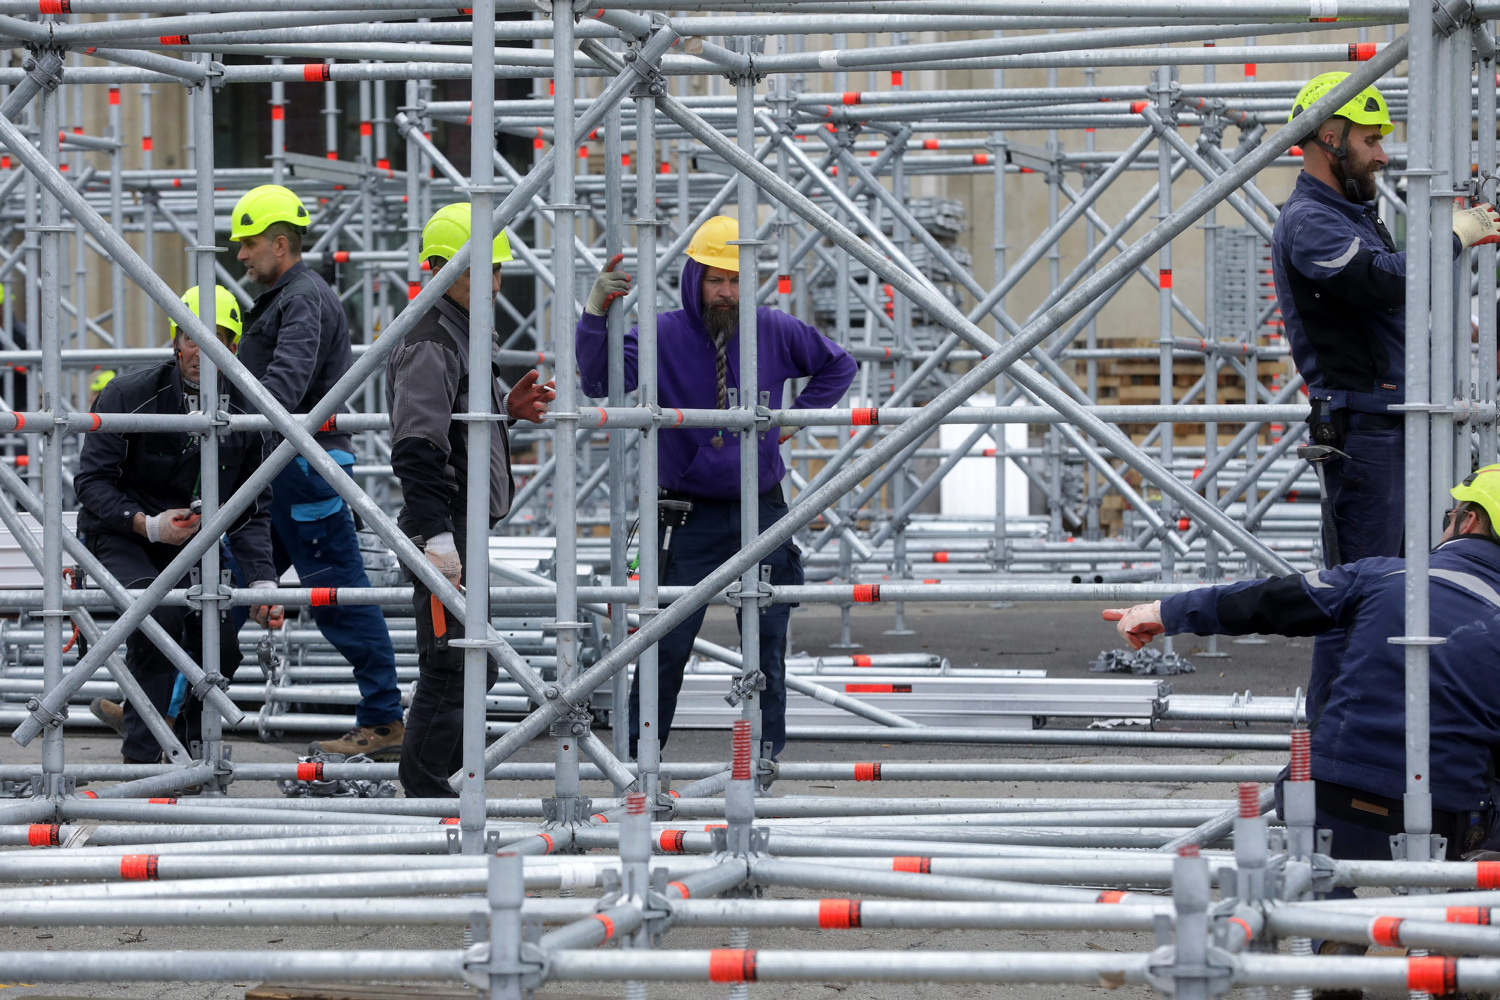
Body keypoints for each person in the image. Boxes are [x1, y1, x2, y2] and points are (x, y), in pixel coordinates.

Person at [1103, 465, 1500, 861]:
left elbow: (1270, 600)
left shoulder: (1381, 574)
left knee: (1317, 887)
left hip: (1327, 800)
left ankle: (1322, 897)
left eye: (1449, 518)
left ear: (1468, 521)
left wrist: (1166, 612)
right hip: (1448, 823)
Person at [576, 215, 857, 761]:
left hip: (763, 509)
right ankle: (638, 765)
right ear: (694, 279)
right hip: (687, 516)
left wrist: (794, 419)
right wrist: (594, 315)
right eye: (715, 279)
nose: (726, 292)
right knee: (664, 645)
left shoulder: (772, 328)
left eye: (735, 279)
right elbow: (599, 383)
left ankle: (763, 762)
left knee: (768, 645)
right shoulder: (663, 334)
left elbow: (837, 365)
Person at [1274, 72, 1500, 565]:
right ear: (1330, 140)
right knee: (1366, 587)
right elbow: (1379, 281)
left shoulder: (1350, 213)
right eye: (1370, 140)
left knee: (1405, 583)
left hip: (1388, 421)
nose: (1381, 155)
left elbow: (1393, 299)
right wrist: (1452, 237)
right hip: (1364, 430)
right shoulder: (1311, 220)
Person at [229, 183, 404, 759]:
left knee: (338, 595)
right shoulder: (289, 296)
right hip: (284, 464)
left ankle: (383, 719)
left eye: (250, 244)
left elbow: (286, 384)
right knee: (229, 586)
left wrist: (228, 425)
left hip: (303, 465)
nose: (241, 255)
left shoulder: (302, 298)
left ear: (280, 245)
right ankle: (163, 702)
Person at [74, 285, 282, 765]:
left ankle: (189, 752)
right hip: (123, 537)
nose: (201, 350)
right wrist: (147, 525)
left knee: (221, 646)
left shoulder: (247, 409)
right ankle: (143, 760)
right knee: (158, 620)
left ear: (233, 347)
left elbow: (251, 508)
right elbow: (91, 483)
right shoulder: (128, 394)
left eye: (216, 339)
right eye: (191, 338)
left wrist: (263, 581)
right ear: (176, 341)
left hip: (191, 544)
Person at [388, 204, 554, 798]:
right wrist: (438, 539)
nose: (494, 283)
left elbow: (454, 424)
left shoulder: (460, 333)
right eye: (479, 270)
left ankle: (449, 787)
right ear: (439, 269)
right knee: (451, 664)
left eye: (497, 270)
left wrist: (504, 411)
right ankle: (426, 792)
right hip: (444, 523)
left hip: (460, 522)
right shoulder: (431, 340)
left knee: (469, 665)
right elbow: (417, 446)